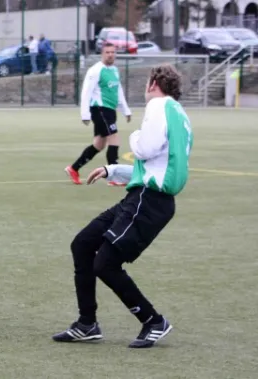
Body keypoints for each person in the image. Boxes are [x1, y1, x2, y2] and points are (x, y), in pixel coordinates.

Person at [52, 64, 193, 349]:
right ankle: (87, 324)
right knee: (83, 244)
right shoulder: (180, 115)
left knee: (105, 263)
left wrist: (133, 136)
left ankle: (153, 321)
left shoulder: (158, 105)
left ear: (154, 83)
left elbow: (144, 149)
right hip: (144, 197)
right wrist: (113, 170)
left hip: (148, 201)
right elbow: (158, 166)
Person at [65, 42, 131, 186]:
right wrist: (85, 114)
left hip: (110, 110)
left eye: (113, 52)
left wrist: (125, 110)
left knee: (99, 145)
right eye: (107, 52)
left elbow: (118, 91)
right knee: (114, 138)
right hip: (100, 110)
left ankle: (73, 168)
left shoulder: (114, 70)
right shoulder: (95, 70)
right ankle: (115, 176)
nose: (111, 55)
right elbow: (86, 92)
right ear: (102, 54)